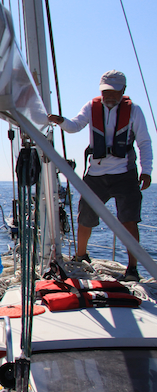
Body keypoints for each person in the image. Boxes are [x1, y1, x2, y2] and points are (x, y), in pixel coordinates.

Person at [48, 70, 152, 281]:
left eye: (113, 92)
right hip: (95, 174)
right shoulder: (91, 106)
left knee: (129, 220)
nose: (109, 96)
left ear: (123, 90)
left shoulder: (134, 111)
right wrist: (61, 121)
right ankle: (81, 257)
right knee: (85, 217)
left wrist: (147, 171)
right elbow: (75, 126)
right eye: (105, 92)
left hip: (125, 174)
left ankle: (132, 268)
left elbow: (144, 142)